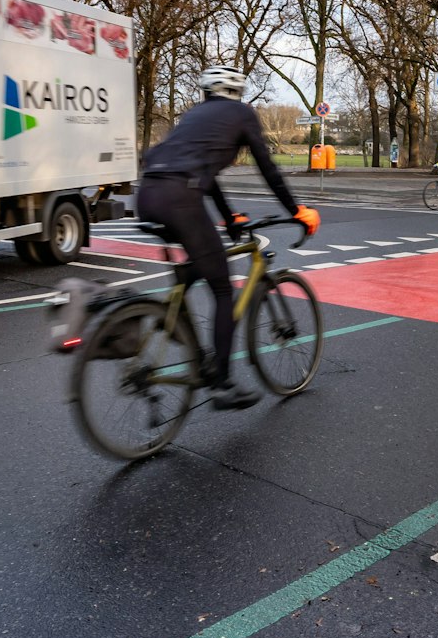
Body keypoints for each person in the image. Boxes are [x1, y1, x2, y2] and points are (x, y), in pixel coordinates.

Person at [135, 65, 319, 410]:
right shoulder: (241, 114)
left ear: (207, 93)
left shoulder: (194, 117)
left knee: (197, 265)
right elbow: (268, 167)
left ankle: (177, 325)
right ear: (237, 92)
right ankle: (222, 384)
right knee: (222, 288)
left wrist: (229, 216)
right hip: (179, 197)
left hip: (147, 195)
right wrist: (296, 210)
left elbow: (206, 174)